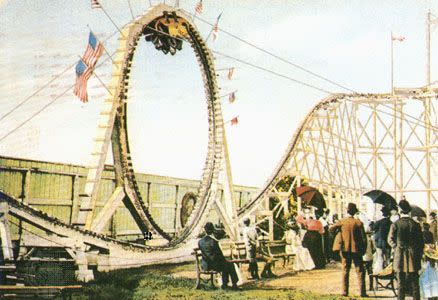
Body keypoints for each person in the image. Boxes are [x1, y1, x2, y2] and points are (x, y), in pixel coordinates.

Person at [387, 199, 424, 300]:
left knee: (401, 283)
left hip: (399, 254)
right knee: (415, 283)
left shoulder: (395, 224)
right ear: (409, 211)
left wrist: (396, 246)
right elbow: (421, 242)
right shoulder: (416, 225)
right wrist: (417, 252)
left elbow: (390, 240)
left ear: (400, 210)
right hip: (413, 255)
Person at [330, 203, 367, 297]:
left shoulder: (342, 221)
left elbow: (331, 229)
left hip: (344, 250)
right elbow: (363, 238)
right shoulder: (358, 223)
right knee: (360, 270)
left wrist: (338, 234)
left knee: (345, 270)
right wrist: (363, 249)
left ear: (347, 211)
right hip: (356, 250)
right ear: (355, 212)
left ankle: (344, 291)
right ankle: (362, 292)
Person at [198, 222, 240, 290]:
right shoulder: (214, 242)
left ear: (205, 230)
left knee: (226, 264)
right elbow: (219, 255)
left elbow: (205, 252)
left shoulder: (200, 242)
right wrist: (225, 261)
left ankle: (225, 284)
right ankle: (232, 284)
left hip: (205, 265)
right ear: (212, 231)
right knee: (230, 265)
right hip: (214, 265)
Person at [373, 206, 392, 273]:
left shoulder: (379, 222)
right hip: (387, 244)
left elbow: (373, 228)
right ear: (389, 214)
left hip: (379, 243)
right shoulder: (390, 223)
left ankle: (380, 271)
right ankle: (388, 271)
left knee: (380, 257)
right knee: (388, 258)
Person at [363, 222, 375, 291]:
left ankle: (363, 287)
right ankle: (371, 286)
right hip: (369, 257)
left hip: (362, 257)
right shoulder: (371, 239)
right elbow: (374, 249)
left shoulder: (360, 239)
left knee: (363, 273)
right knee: (370, 272)